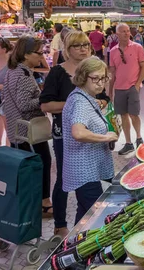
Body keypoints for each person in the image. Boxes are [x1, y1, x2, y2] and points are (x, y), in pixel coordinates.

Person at [40, 31, 110, 237]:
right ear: (67, 50)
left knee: (86, 185)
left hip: (89, 137)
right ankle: (60, 224)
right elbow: (45, 104)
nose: (83, 49)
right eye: (77, 46)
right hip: (65, 135)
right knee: (65, 178)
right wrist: (77, 104)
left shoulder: (93, 69)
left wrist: (99, 102)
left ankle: (79, 232)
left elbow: (104, 97)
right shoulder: (58, 73)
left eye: (86, 45)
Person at [2, 36, 54, 217]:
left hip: (17, 129)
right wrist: (44, 97)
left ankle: (33, 202)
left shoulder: (13, 70)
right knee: (42, 163)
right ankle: (44, 203)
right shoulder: (23, 75)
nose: (41, 57)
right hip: (28, 130)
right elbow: (24, 104)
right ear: (25, 54)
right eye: (38, 53)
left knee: (30, 166)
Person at [62, 57, 117, 224]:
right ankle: (80, 248)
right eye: (95, 78)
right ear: (83, 77)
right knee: (98, 217)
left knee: (85, 215)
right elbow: (78, 132)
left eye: (104, 78)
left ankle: (70, 245)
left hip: (91, 168)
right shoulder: (80, 101)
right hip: (85, 171)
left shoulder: (87, 97)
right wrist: (105, 137)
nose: (101, 83)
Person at [109, 23, 144, 155]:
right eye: (123, 31)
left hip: (132, 87)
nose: (126, 33)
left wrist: (137, 84)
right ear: (116, 34)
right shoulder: (113, 51)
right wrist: (110, 91)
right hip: (119, 88)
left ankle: (139, 138)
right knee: (123, 115)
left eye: (127, 31)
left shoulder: (137, 48)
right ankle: (128, 143)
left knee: (134, 114)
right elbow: (113, 73)